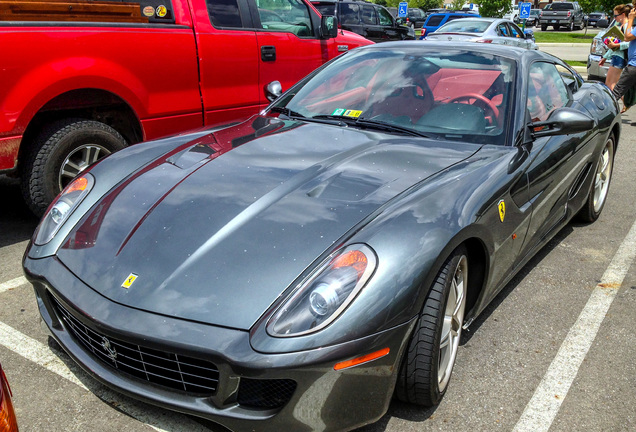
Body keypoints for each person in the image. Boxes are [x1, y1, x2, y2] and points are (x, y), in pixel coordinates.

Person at [600, 5, 632, 93]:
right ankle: (625, 104)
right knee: (610, 84)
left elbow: (629, 43)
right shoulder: (621, 26)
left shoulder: (626, 26)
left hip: (619, 58)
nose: (615, 18)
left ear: (623, 14)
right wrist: (605, 57)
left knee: (611, 85)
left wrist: (616, 45)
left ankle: (622, 104)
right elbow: (614, 46)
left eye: (616, 16)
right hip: (616, 57)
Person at [612, 7, 636, 112]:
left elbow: (627, 37)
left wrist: (630, 19)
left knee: (616, 92)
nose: (632, 11)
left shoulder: (631, 25)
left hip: (634, 65)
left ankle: (603, 118)